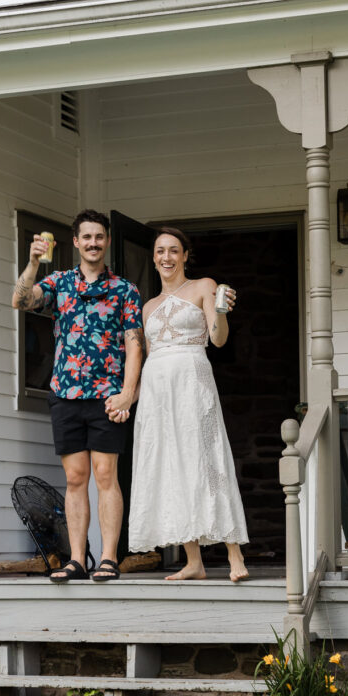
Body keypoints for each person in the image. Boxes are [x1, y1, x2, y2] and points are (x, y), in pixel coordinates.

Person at [12, 210, 143, 583]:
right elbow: (20, 301)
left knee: (105, 474)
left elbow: (135, 346)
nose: (93, 243)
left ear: (106, 240)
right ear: (75, 242)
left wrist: (128, 394)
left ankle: (108, 558)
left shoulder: (124, 290)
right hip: (66, 393)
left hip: (107, 397)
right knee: (75, 478)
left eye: (99, 237)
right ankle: (76, 560)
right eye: (86, 237)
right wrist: (33, 262)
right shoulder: (59, 283)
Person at [119, 227, 249, 582]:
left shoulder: (204, 286)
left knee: (207, 458)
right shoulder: (148, 307)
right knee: (172, 467)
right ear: (154, 256)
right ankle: (194, 561)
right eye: (160, 251)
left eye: (174, 251)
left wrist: (220, 311)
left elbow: (218, 339)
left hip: (192, 380)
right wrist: (129, 399)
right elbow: (145, 360)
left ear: (185, 255)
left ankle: (234, 553)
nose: (166, 258)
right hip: (158, 391)